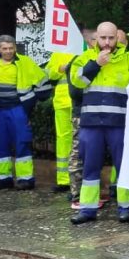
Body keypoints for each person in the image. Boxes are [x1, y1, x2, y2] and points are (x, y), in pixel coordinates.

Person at [69, 22, 129, 224]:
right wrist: (96, 64)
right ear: (96, 38)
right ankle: (87, 209)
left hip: (120, 123)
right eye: (103, 38)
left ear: (117, 38)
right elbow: (76, 83)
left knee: (124, 166)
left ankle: (126, 207)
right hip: (91, 123)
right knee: (90, 167)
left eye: (111, 38)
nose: (107, 42)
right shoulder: (84, 58)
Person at [0, 34, 50, 190]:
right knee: (0, 143)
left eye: (11, 48)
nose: (8, 51)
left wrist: (34, 101)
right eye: (4, 49)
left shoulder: (25, 62)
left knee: (22, 142)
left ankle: (26, 179)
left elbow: (43, 83)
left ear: (15, 48)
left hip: (17, 109)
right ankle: (3, 178)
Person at [66, 29, 98, 209]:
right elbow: (75, 91)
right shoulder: (79, 61)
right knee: (78, 153)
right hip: (82, 114)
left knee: (90, 154)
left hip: (98, 115)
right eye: (100, 39)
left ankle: (88, 192)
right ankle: (76, 194)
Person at [44, 47, 80, 194]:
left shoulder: (84, 51)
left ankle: (77, 178)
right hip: (62, 102)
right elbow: (48, 73)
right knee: (63, 140)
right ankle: (64, 179)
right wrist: (60, 68)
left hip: (77, 102)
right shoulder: (58, 53)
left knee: (78, 140)